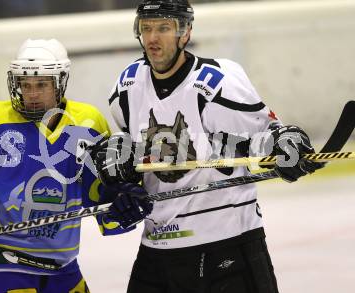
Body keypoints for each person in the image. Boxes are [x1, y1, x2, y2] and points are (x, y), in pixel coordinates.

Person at [96, 1, 324, 292]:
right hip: (157, 248)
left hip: (226, 246)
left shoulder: (218, 82)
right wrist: (124, 183)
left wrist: (286, 145)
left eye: (164, 28)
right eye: (146, 28)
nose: (153, 38)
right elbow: (137, 157)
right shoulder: (127, 87)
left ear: (185, 32)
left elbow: (265, 135)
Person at [0, 38, 148, 293]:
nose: (32, 94)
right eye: (24, 85)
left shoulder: (88, 124)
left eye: (41, 84)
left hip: (63, 265)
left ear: (60, 82)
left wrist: (121, 203)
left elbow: (98, 196)